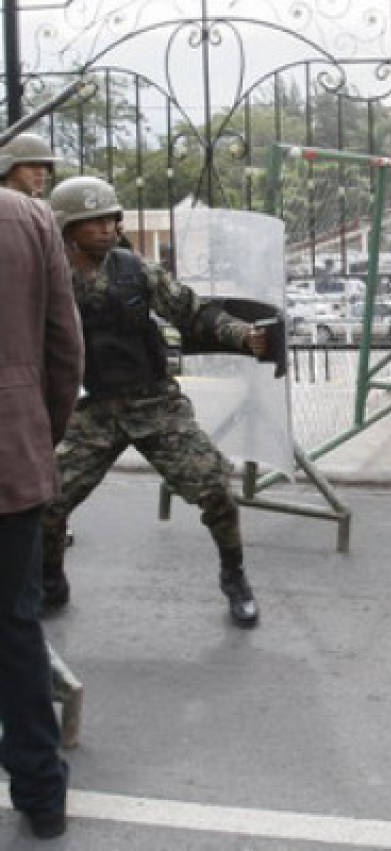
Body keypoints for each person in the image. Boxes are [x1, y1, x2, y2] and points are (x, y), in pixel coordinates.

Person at [40, 176, 266, 628]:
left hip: (154, 403)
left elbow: (193, 311)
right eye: (93, 221)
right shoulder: (48, 279)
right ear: (67, 229)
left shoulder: (136, 270)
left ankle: (235, 577)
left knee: (216, 491)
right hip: (92, 411)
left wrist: (243, 334)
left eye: (111, 218)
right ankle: (50, 580)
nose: (106, 228)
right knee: (46, 502)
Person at [0, 181, 83, 839]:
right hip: (12, 453)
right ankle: (42, 792)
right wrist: (38, 431)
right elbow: (65, 346)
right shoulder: (28, 218)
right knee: (15, 625)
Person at [0, 133, 58, 199]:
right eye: (32, 165)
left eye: (45, 166)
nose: (41, 172)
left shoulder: (39, 207)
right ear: (8, 169)